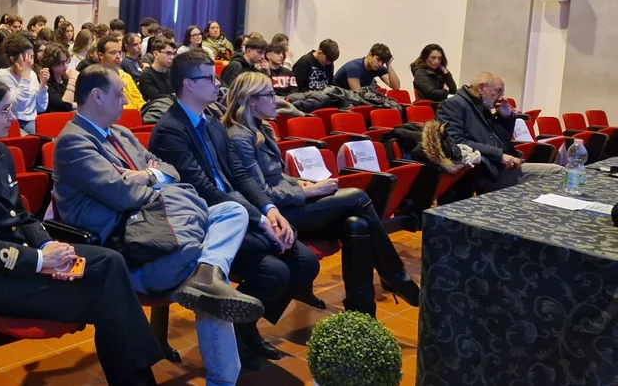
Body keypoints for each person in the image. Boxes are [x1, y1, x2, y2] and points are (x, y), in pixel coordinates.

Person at [0, 75, 164, 385]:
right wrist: (38, 262)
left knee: (109, 262)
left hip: (23, 260)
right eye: (4, 110)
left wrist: (48, 247)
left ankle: (136, 379)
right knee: (106, 300)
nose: (12, 118)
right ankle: (139, 381)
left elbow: (21, 215)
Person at [52, 66, 264, 385]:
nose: (126, 99)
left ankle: (209, 270)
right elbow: (122, 195)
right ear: (96, 96)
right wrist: (157, 183)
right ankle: (209, 278)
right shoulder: (73, 142)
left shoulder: (120, 133)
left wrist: (149, 176)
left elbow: (170, 170)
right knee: (208, 281)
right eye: (119, 93)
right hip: (131, 249)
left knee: (233, 212)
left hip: (163, 231)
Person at [148, 49, 319, 367]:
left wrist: (268, 209)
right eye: (209, 78)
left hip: (238, 207)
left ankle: (245, 324)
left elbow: (238, 175)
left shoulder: (211, 122)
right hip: (210, 219)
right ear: (188, 85)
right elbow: (204, 189)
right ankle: (243, 328)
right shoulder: (171, 130)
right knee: (275, 272)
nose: (217, 83)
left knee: (306, 263)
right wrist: (258, 220)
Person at [224, 72, 419, 317]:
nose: (276, 100)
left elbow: (275, 176)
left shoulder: (262, 128)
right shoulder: (239, 137)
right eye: (269, 95)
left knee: (356, 224)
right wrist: (310, 191)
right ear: (251, 100)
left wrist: (299, 182)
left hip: (290, 204)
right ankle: (395, 276)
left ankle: (361, 313)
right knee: (358, 196)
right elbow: (260, 193)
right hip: (276, 216)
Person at [437, 72, 563, 193]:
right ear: (481, 88)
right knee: (558, 172)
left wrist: (505, 117)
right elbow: (456, 142)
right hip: (483, 171)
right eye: (498, 91)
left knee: (560, 173)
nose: (501, 97)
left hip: (500, 166)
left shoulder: (481, 105)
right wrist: (499, 156)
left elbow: (502, 140)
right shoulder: (454, 105)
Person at [0, 35, 49, 134]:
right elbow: (17, 106)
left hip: (32, 120)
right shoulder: (3, 75)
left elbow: (41, 107)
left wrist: (43, 86)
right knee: (32, 140)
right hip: (12, 121)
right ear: (13, 59)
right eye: (26, 58)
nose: (31, 62)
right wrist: (24, 78)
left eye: (32, 57)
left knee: (50, 137)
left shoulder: (32, 74)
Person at [95, 33, 145, 111]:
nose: (118, 56)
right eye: (113, 53)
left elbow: (139, 101)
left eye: (119, 52)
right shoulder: (95, 78)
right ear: (101, 55)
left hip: (135, 117)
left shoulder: (126, 76)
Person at [333, 43, 400, 91]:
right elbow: (357, 93)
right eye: (378, 60)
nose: (380, 64)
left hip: (351, 99)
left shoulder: (378, 67)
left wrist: (389, 65)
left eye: (383, 62)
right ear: (370, 55)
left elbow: (396, 87)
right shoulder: (354, 67)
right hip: (338, 99)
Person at [138, 37, 176, 102]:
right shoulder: (146, 76)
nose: (172, 57)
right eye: (168, 53)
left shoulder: (172, 74)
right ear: (156, 54)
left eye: (173, 54)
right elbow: (158, 98)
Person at [41, 44, 76, 112]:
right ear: (51, 63)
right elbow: (63, 106)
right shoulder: (46, 80)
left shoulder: (65, 78)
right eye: (61, 63)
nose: (65, 66)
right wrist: (72, 80)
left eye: (66, 61)